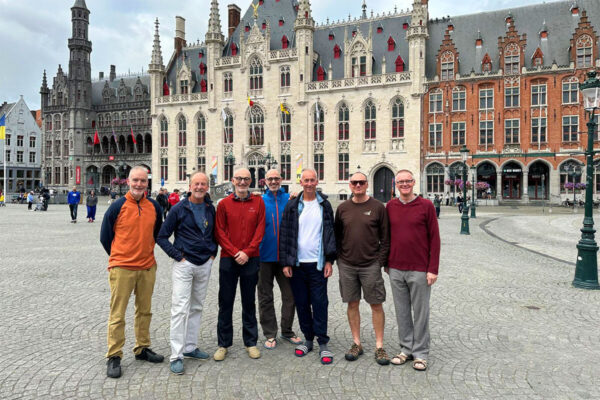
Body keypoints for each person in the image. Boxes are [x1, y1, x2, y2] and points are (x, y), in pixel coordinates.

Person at [100, 166, 164, 379]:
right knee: (117, 314)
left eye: (143, 181)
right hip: (122, 268)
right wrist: (119, 257)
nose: (139, 184)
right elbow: (105, 237)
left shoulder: (155, 206)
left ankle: (142, 348)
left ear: (148, 183)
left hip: (147, 267)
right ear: (128, 181)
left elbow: (156, 233)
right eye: (135, 180)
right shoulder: (117, 206)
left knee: (145, 311)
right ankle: (114, 355)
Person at [157, 172, 218, 375]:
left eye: (203, 184)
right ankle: (176, 354)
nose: (200, 187)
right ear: (190, 186)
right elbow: (162, 236)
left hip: (204, 264)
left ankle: (190, 347)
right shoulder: (178, 209)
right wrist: (177, 256)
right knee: (180, 308)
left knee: (197, 306)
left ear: (207, 187)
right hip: (185, 263)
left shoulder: (211, 208)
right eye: (196, 184)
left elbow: (215, 233)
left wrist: (212, 253)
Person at [280, 169, 337, 365]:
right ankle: (308, 338)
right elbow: (285, 234)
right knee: (302, 303)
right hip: (297, 264)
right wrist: (286, 262)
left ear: (317, 181)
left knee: (320, 303)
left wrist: (330, 260)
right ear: (301, 182)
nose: (309, 184)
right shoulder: (292, 205)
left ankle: (322, 340)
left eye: (312, 180)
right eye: (306, 180)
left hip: (318, 264)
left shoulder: (325, 205)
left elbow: (330, 233)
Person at [386, 169, 440, 372]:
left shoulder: (426, 206)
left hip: (419, 268)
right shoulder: (390, 206)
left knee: (421, 312)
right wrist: (387, 264)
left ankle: (421, 353)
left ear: (414, 182)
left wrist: (432, 268)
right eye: (401, 182)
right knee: (402, 312)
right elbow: (386, 236)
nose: (404, 184)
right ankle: (406, 348)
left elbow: (435, 239)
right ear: (395, 185)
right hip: (396, 268)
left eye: (408, 181)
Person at [334, 172, 390, 365]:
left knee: (376, 304)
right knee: (352, 304)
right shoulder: (342, 208)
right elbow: (337, 236)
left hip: (370, 265)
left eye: (361, 182)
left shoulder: (378, 207)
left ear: (367, 184)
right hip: (347, 265)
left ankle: (379, 346)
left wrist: (379, 262)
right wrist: (340, 260)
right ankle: (356, 343)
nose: (358, 185)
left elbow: (386, 238)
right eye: (354, 182)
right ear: (349, 185)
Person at [214, 168, 266, 361]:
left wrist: (248, 252)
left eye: (246, 179)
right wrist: (236, 252)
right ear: (232, 180)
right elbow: (219, 231)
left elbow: (260, 230)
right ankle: (223, 343)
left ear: (251, 180)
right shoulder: (224, 204)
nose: (243, 182)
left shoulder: (258, 202)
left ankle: (250, 342)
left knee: (249, 301)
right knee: (225, 302)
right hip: (229, 258)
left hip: (251, 258)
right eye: (239, 179)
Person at [258, 169, 302, 350]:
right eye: (270, 179)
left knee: (290, 295)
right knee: (265, 296)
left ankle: (287, 330)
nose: (274, 181)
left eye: (276, 178)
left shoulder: (291, 201)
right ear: (265, 181)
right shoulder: (259, 201)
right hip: (263, 256)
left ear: (282, 179)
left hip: (285, 257)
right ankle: (270, 333)